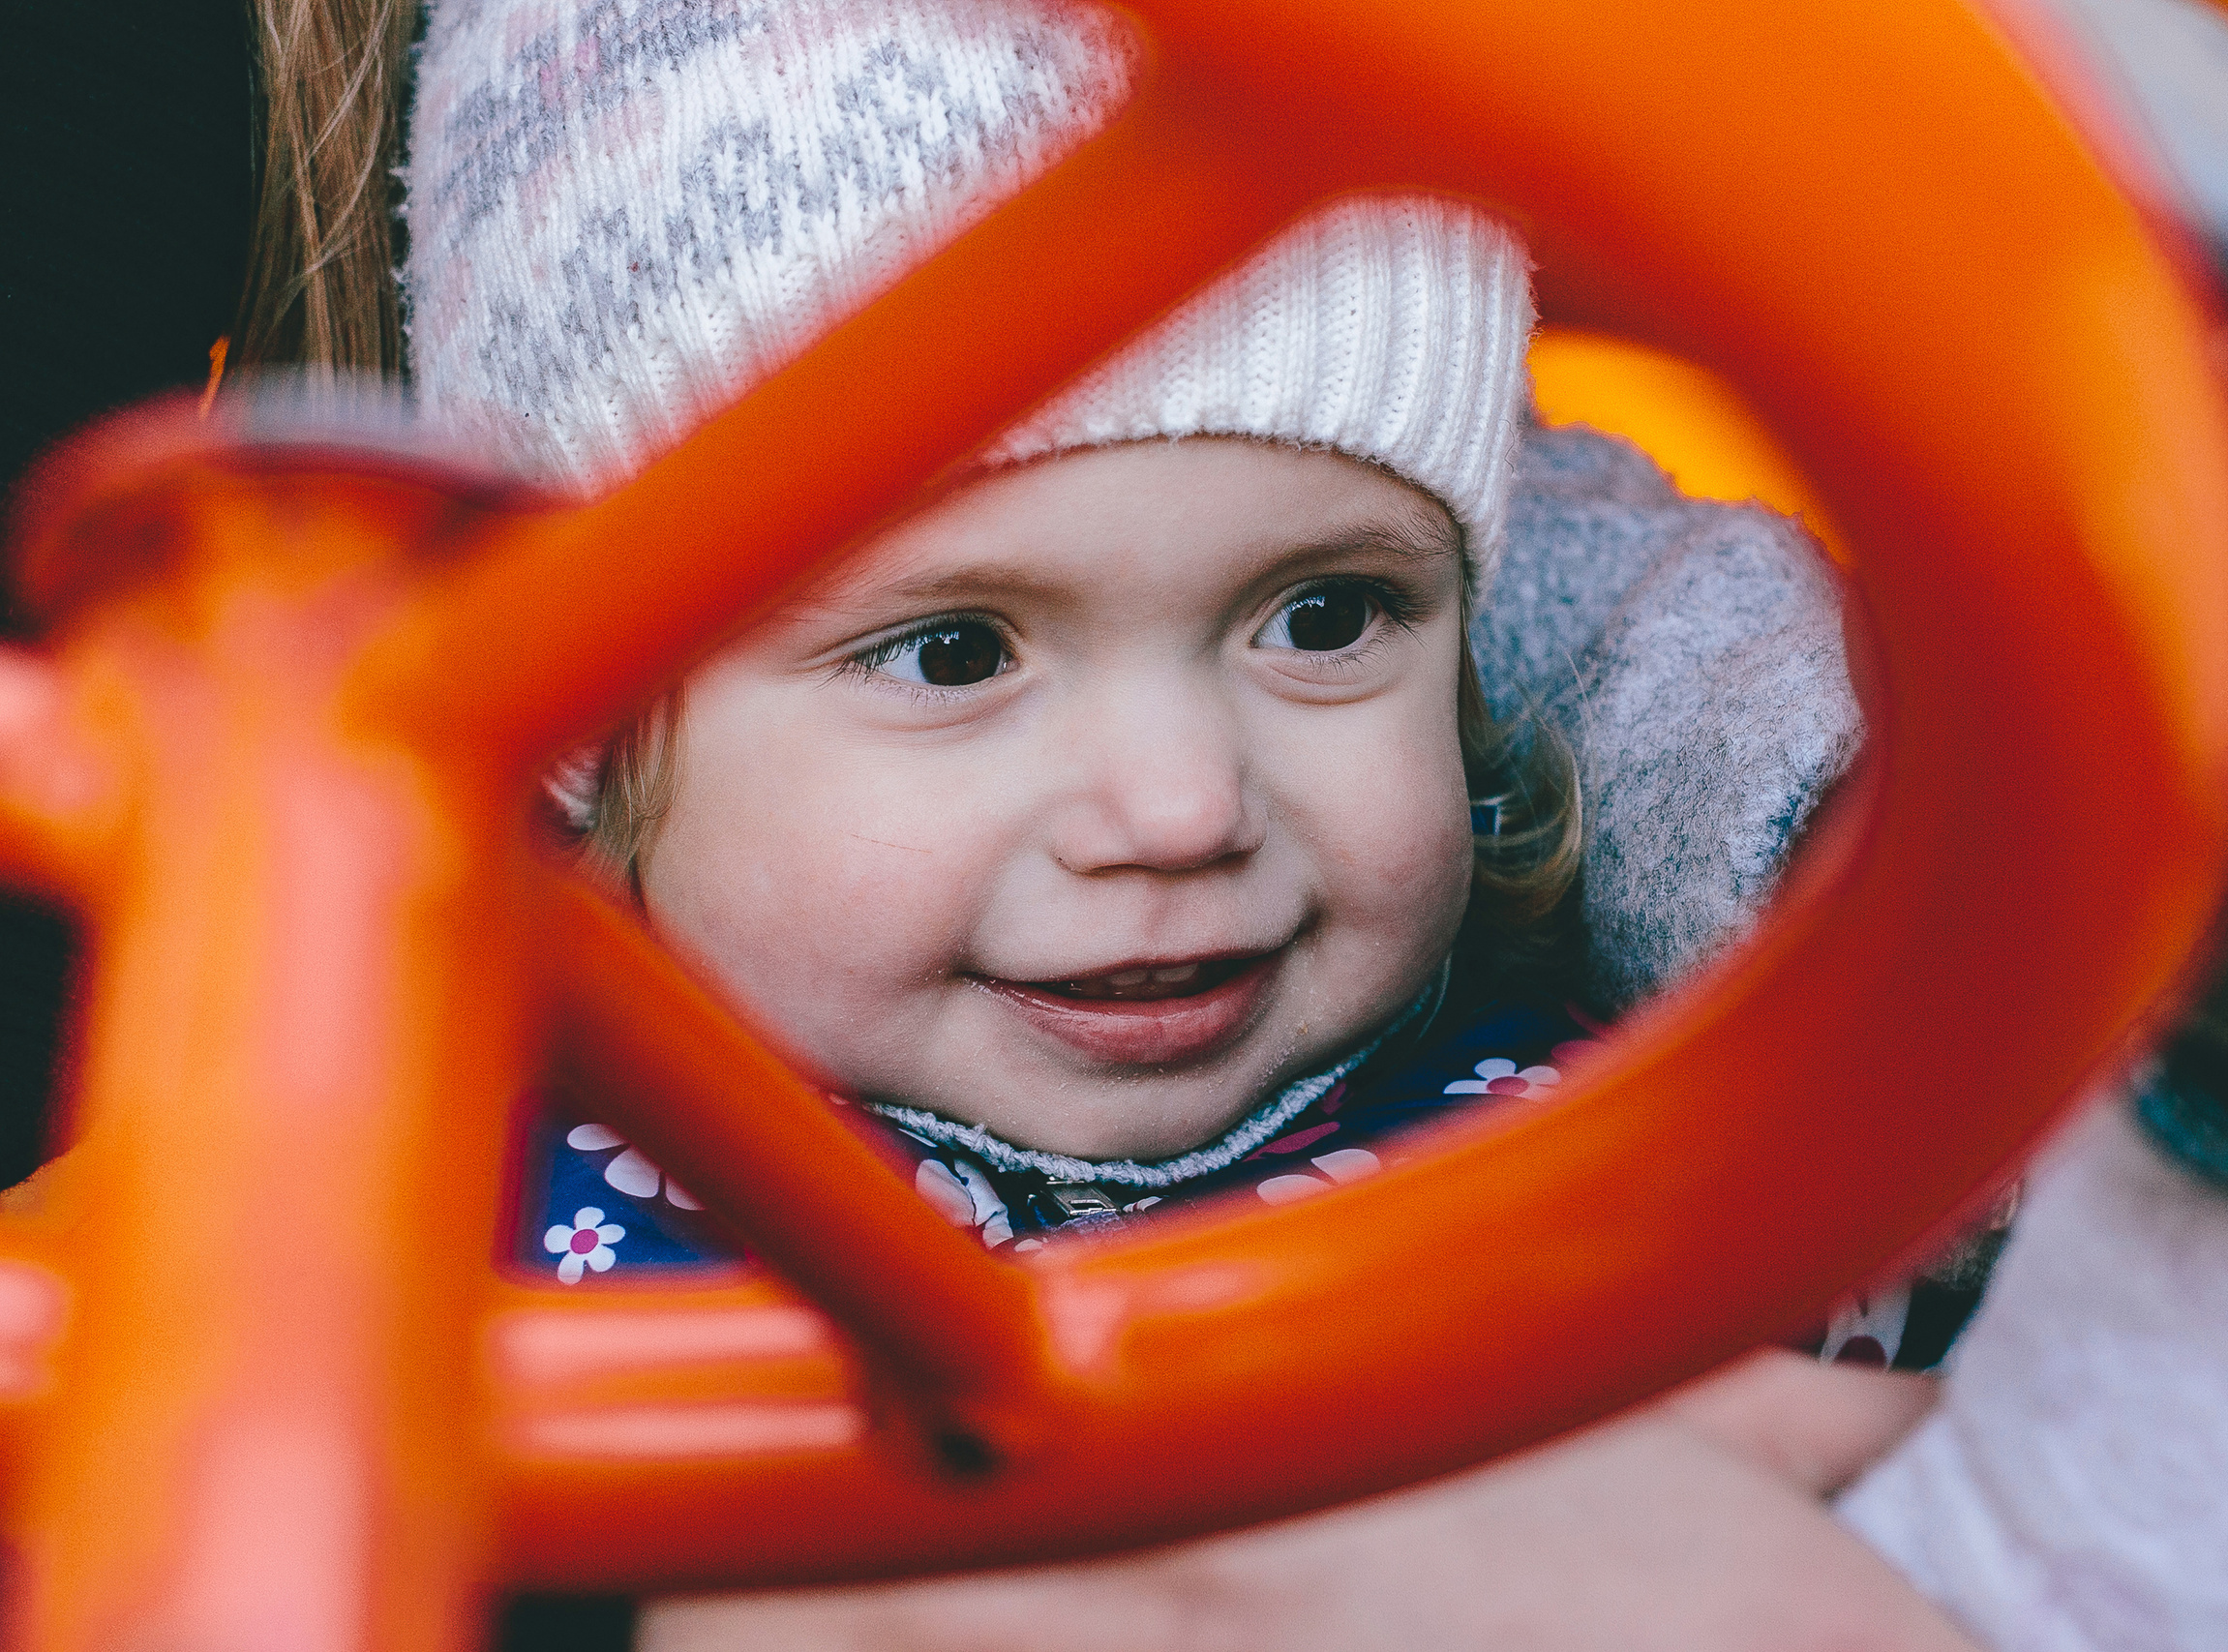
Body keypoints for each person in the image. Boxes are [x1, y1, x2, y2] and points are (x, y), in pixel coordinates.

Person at [382, 1, 1979, 1646]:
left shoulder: (1653, 1158)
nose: (1182, 808)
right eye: (956, 652)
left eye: (1325, 618)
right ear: (585, 713)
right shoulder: (408, 1278)